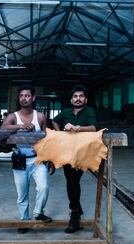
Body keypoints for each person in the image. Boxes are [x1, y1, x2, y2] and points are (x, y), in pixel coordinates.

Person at [1, 85, 52, 234]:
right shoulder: (13, 116)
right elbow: (3, 128)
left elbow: (46, 140)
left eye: (27, 95)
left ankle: (38, 213)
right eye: (22, 96)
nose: (24, 98)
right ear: (19, 98)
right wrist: (22, 126)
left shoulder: (40, 117)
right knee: (22, 194)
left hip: (37, 159)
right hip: (20, 158)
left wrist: (49, 159)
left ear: (33, 98)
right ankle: (24, 219)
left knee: (43, 188)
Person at [51, 84, 97, 233]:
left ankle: (74, 212)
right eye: (75, 96)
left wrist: (78, 128)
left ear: (85, 99)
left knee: (73, 180)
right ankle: (77, 209)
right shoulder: (65, 112)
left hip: (82, 152)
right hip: (66, 152)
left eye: (81, 96)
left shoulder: (89, 111)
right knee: (70, 180)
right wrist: (59, 133)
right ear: (71, 99)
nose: (78, 99)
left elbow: (93, 127)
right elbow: (54, 121)